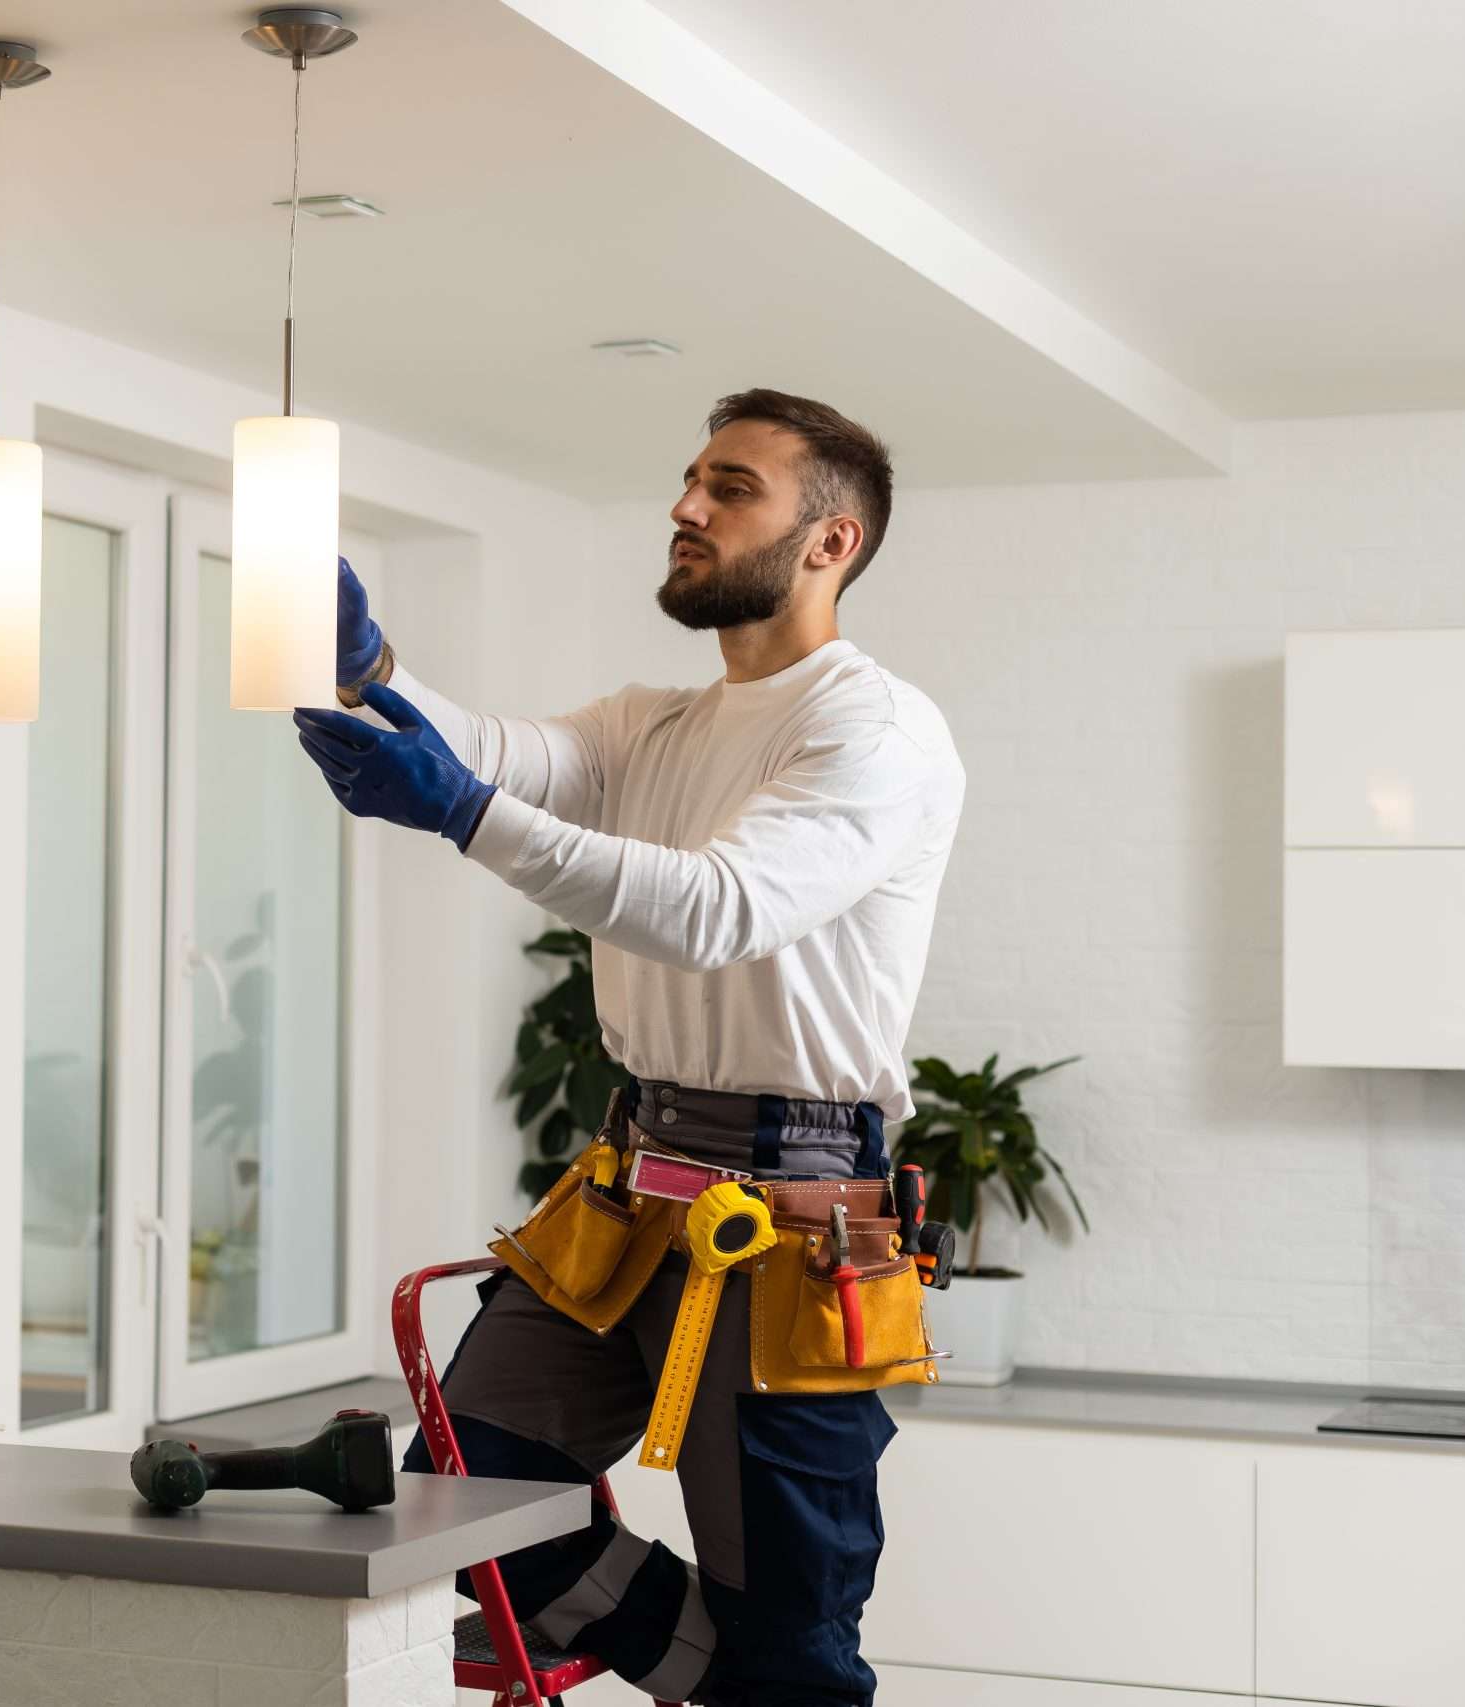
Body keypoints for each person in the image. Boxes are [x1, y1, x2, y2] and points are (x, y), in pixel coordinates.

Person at [293, 388, 965, 1706]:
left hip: (793, 1213)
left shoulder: (874, 732)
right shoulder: (651, 720)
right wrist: (377, 676)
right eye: (689, 482)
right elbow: (495, 756)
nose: (685, 507)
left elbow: (719, 910)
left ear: (830, 542)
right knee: (464, 1502)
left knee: (796, 1613)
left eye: (730, 488)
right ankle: (721, 1670)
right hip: (634, 1179)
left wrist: (466, 816)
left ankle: (766, 1671)